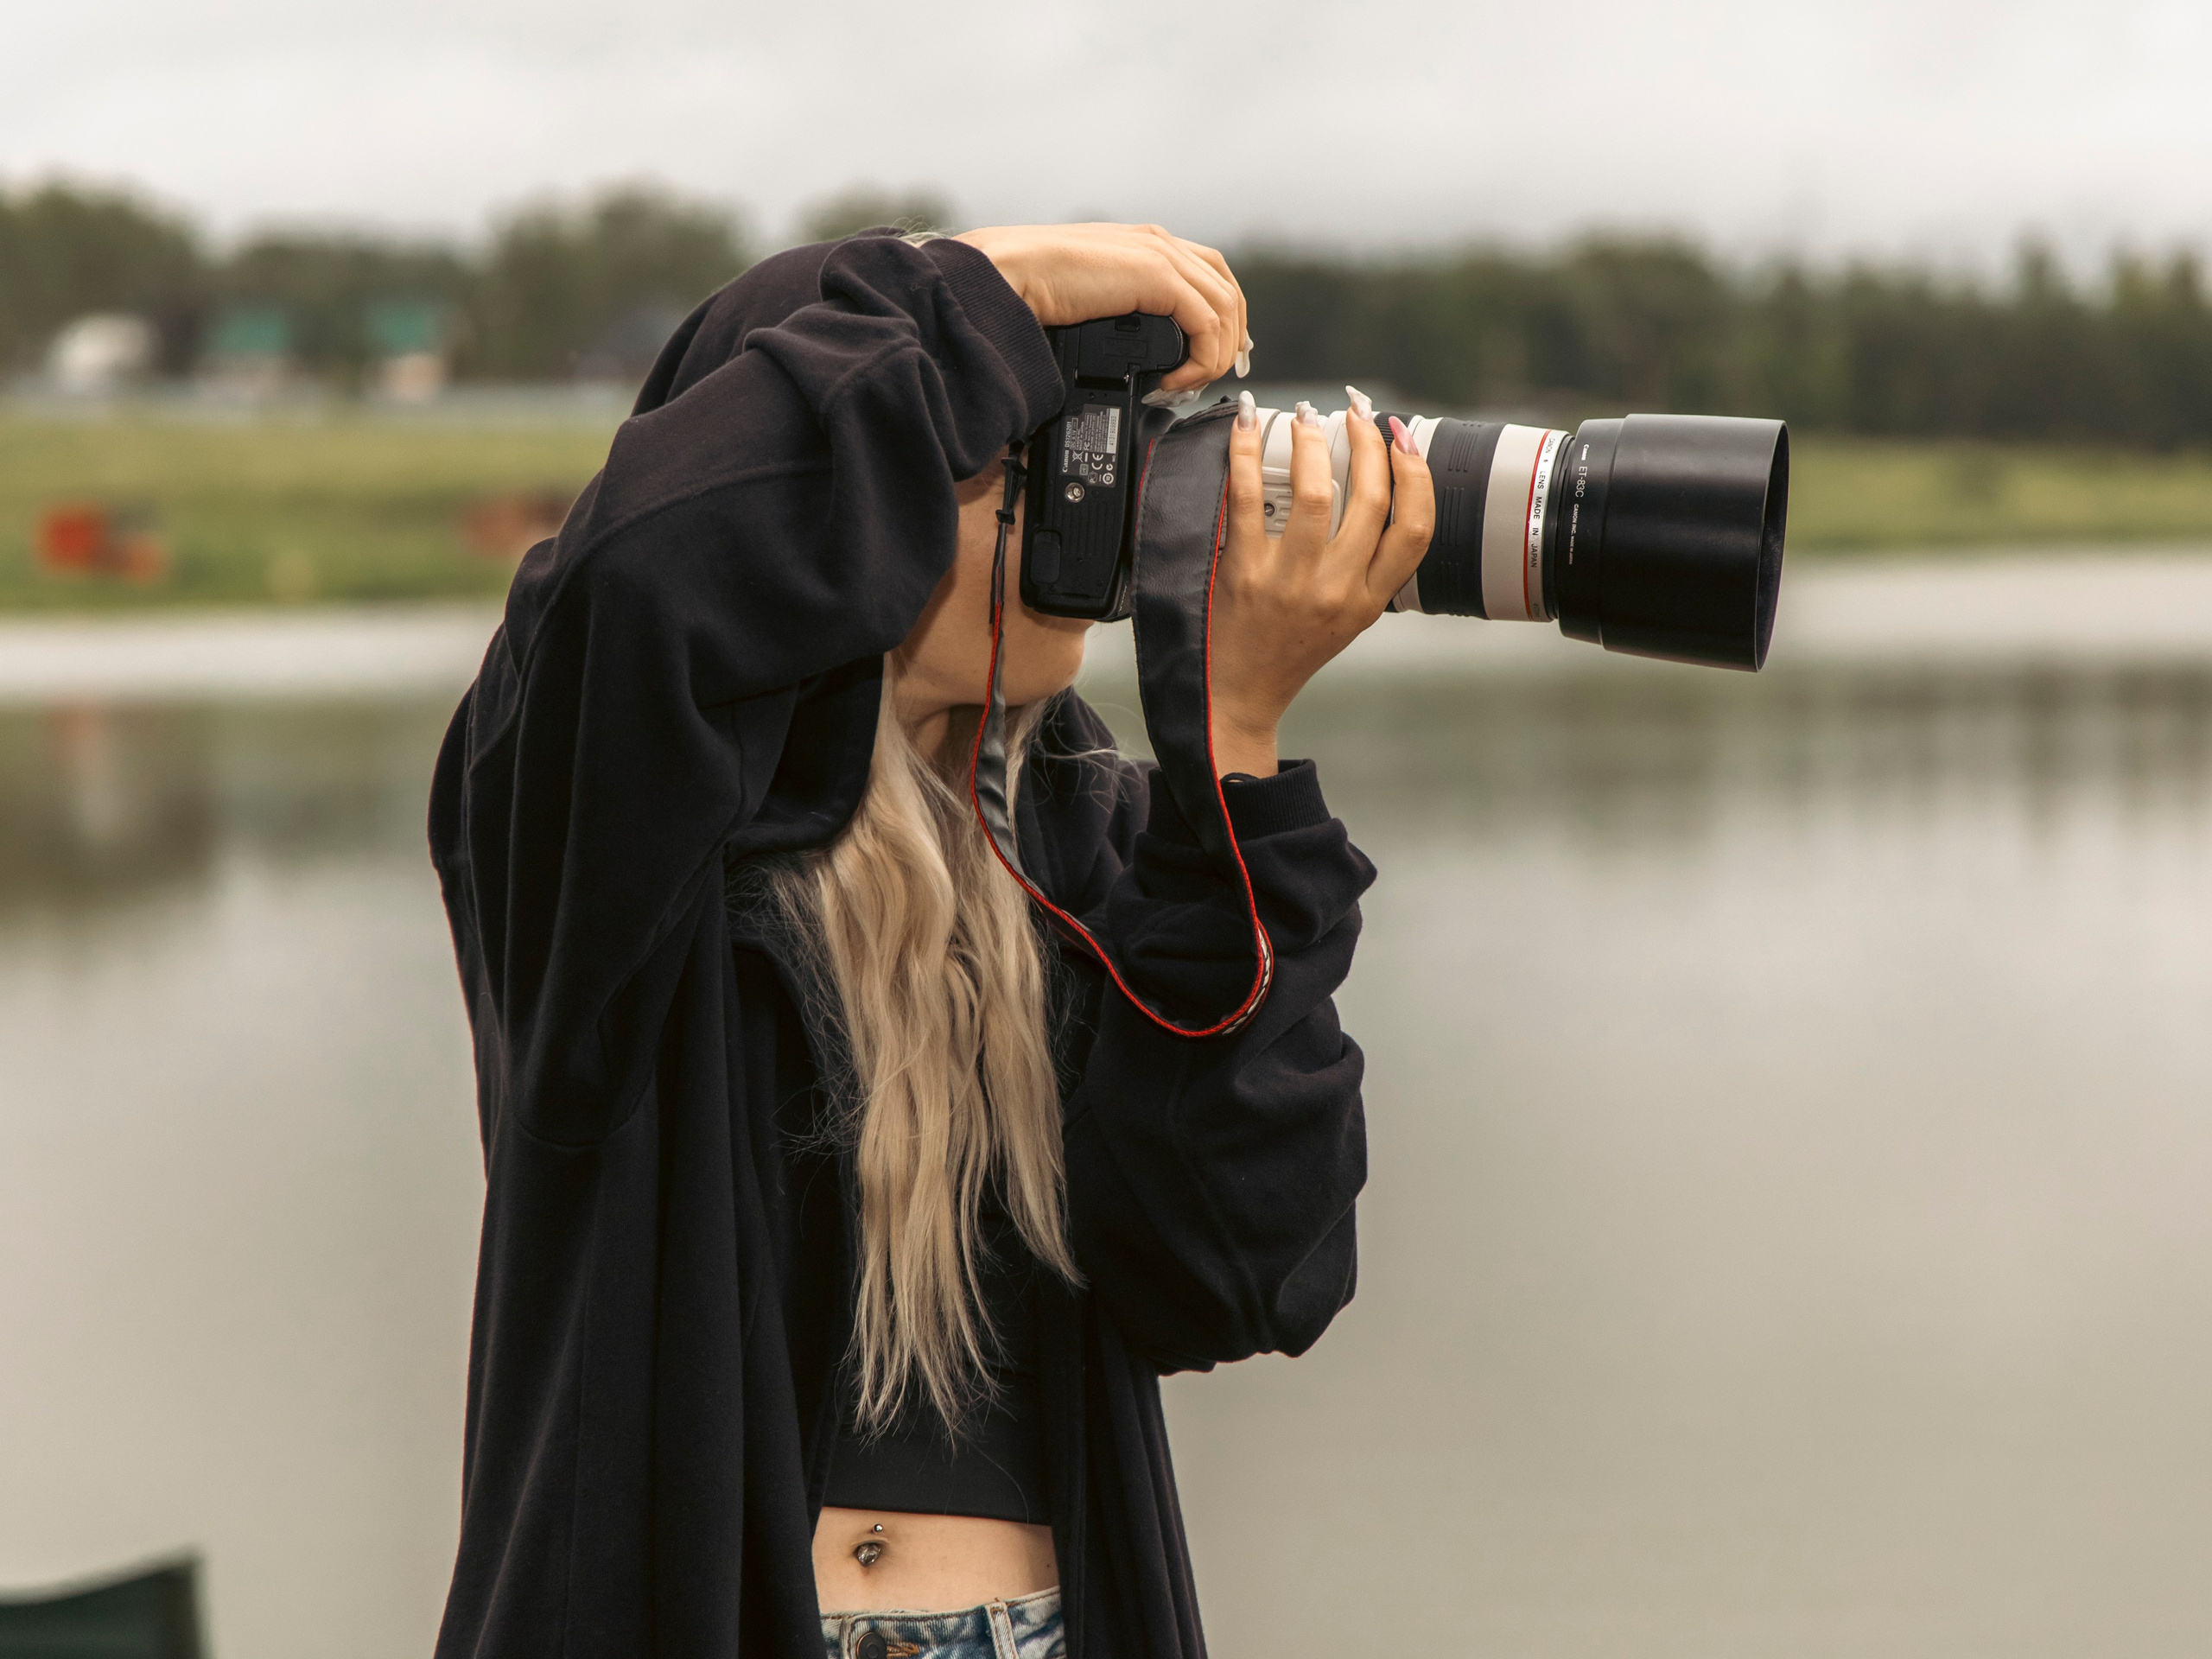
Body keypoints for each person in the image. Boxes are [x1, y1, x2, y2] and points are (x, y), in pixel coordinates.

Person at [427, 221, 1434, 1659]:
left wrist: (1237, 762)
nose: (1071, 512)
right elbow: (631, 583)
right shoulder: (608, 835)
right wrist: (983, 291)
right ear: (802, 530)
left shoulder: (1067, 836)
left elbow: (1240, 1268)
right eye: (987, 468)